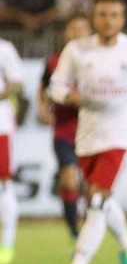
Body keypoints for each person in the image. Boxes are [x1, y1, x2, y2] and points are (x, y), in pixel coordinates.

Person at [49, 0, 127, 264]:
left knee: (97, 202)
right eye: (102, 14)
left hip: (120, 133)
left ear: (122, 19)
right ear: (94, 18)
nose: (108, 20)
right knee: (98, 198)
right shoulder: (77, 50)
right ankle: (126, 244)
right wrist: (69, 96)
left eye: (114, 15)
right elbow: (55, 86)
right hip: (87, 134)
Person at [38, 14, 92, 241]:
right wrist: (43, 109)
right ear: (66, 33)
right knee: (69, 178)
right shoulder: (54, 62)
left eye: (82, 28)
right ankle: (74, 229)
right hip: (65, 130)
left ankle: (92, 227)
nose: (78, 33)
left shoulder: (99, 60)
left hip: (93, 131)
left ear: (90, 32)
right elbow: (44, 88)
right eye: (73, 28)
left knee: (90, 185)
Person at [0, 38, 23, 264]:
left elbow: (16, 83)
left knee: (4, 182)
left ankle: (7, 243)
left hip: (0, 127)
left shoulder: (4, 48)